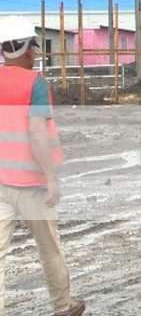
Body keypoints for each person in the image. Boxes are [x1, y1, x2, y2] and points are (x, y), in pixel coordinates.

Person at [0, 16, 85, 316]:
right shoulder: (34, 83)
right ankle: (62, 306)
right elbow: (37, 131)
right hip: (32, 184)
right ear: (24, 50)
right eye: (32, 48)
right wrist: (51, 178)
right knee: (49, 248)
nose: (35, 53)